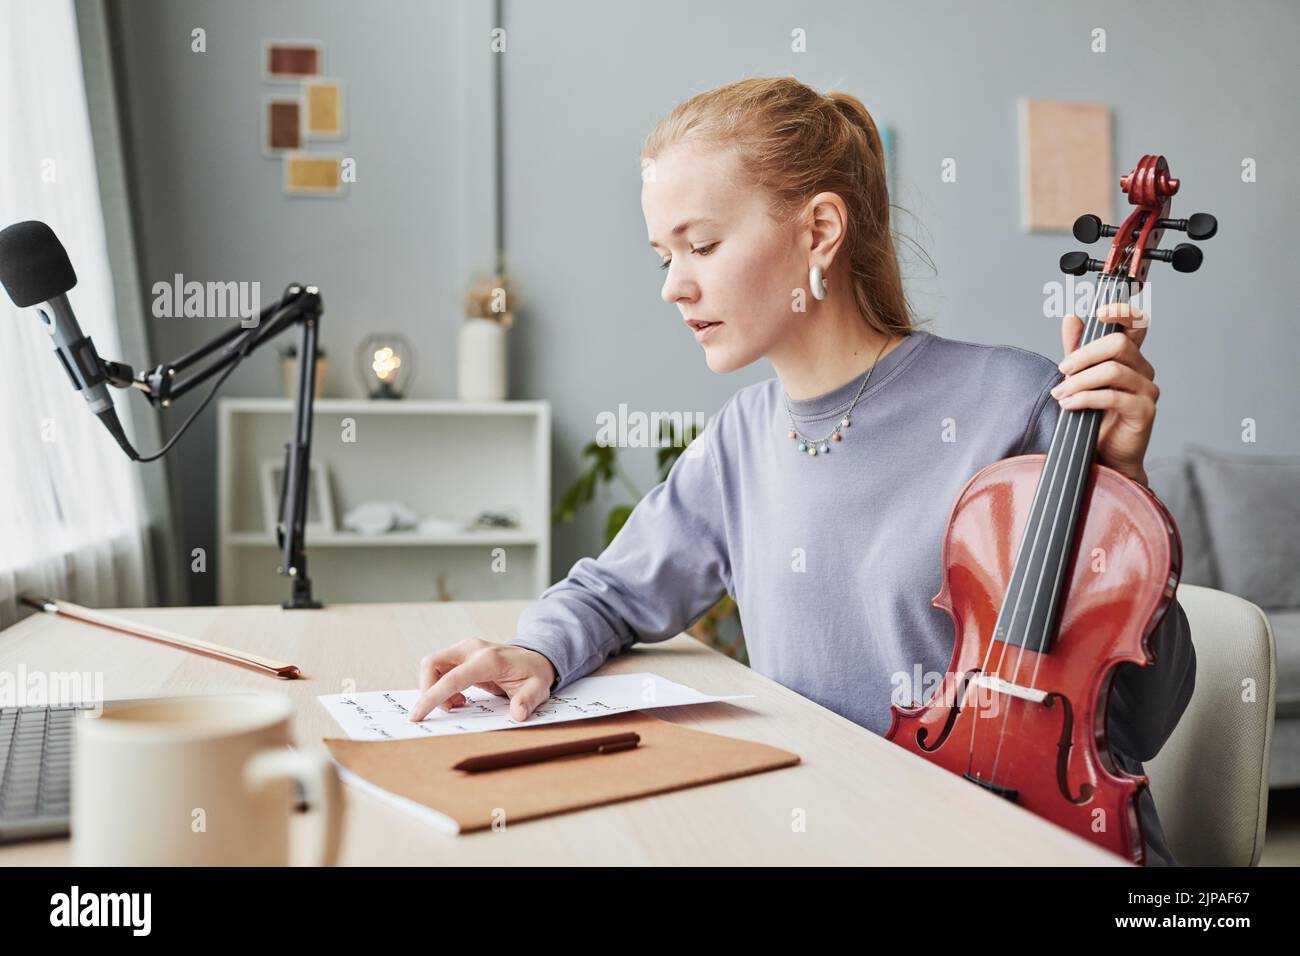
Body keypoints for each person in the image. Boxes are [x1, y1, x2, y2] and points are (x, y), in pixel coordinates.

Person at [408, 76, 1196, 865]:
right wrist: (539, 652)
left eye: (702, 245)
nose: (673, 285)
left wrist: (1124, 482)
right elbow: (612, 593)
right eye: (664, 254)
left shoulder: (1015, 402)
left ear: (820, 229)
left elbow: (1132, 725)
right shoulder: (740, 440)